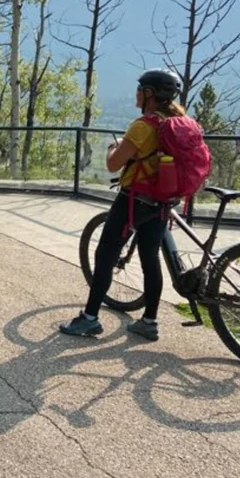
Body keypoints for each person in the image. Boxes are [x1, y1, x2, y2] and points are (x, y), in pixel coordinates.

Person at [59, 69, 187, 342]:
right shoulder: (179, 122)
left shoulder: (143, 126)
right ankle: (149, 322)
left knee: (105, 255)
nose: (137, 93)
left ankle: (90, 319)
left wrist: (111, 147)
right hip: (162, 202)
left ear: (150, 94)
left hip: (134, 200)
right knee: (150, 260)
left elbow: (113, 164)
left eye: (141, 89)